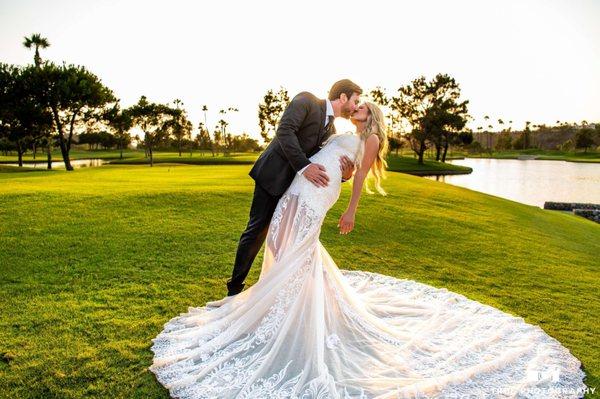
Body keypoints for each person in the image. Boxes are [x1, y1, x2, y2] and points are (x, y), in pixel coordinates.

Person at [149, 102, 587, 398]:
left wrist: (352, 210)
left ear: (370, 115)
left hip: (321, 196)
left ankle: (292, 308)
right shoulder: (341, 130)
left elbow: (357, 177)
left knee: (298, 245)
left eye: (360, 107)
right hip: (303, 185)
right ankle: (275, 299)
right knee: (283, 240)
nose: (355, 108)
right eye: (353, 104)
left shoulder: (370, 140)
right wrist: (326, 165)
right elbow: (322, 154)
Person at [226, 79, 363, 297]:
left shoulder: (332, 130)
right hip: (272, 175)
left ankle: (281, 289)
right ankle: (234, 289)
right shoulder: (307, 100)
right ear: (343, 97)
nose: (356, 106)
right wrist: (304, 166)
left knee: (284, 235)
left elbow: (325, 160)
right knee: (257, 230)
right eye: (356, 101)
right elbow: (285, 131)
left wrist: (346, 176)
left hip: (295, 188)